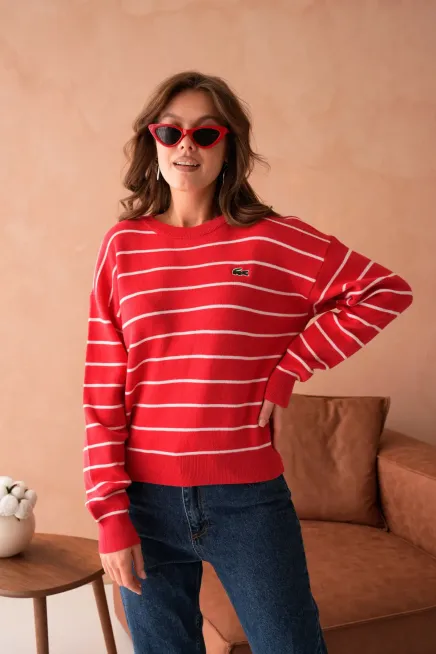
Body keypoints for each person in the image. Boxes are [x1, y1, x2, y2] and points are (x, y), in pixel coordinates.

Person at [83, 71, 413, 654]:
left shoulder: (273, 240)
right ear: (152, 141)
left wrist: (288, 370)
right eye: (170, 131)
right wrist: (109, 514)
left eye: (206, 133)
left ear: (228, 145)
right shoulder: (123, 246)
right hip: (143, 499)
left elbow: (384, 291)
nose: (186, 145)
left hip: (247, 499)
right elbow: (102, 387)